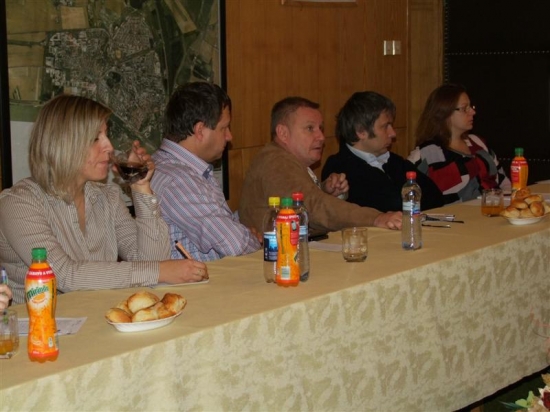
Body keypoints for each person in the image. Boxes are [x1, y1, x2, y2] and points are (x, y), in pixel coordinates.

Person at [0, 94, 207, 304]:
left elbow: (150, 261)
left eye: (106, 135)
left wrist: (141, 187)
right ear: (63, 143)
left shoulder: (107, 197)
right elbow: (63, 275)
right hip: (37, 323)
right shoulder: (18, 204)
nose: (109, 146)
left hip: (98, 316)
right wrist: (159, 271)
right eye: (95, 138)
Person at [239, 96, 403, 235]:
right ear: (283, 133)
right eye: (310, 128)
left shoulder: (286, 160)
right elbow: (313, 207)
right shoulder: (276, 162)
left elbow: (304, 205)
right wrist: (375, 218)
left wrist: (324, 190)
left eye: (321, 129)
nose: (321, 137)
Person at [150, 82, 261, 261]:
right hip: (202, 279)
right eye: (224, 128)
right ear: (200, 130)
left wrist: (242, 231)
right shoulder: (177, 180)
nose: (229, 136)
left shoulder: (176, 168)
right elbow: (234, 244)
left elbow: (225, 231)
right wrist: (253, 240)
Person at [322, 91, 444, 212]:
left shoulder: (393, 160)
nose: (393, 133)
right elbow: (385, 207)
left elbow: (436, 197)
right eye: (385, 126)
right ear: (361, 131)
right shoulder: (338, 168)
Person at [408, 84, 511, 204]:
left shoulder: (478, 143)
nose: (473, 112)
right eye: (464, 108)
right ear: (444, 113)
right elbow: (408, 191)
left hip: (494, 210)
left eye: (470, 106)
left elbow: (504, 182)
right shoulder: (427, 152)